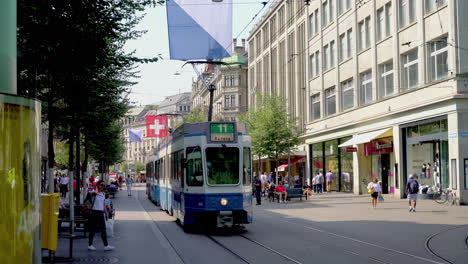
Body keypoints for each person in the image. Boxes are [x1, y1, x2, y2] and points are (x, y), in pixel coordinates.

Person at [88, 180, 115, 251]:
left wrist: (106, 214)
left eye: (104, 185)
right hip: (94, 212)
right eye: (101, 185)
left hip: (100, 213)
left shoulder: (102, 194)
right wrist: (96, 188)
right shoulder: (93, 192)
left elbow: (103, 205)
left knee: (103, 229)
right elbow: (94, 194)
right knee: (93, 229)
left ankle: (106, 245)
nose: (103, 186)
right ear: (97, 185)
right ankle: (90, 245)